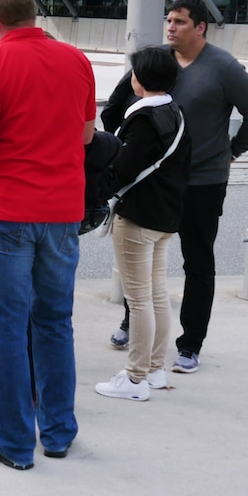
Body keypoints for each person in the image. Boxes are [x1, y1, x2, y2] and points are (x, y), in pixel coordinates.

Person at [0, 0, 95, 470]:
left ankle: (13, 442)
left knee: (7, 329)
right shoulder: (76, 60)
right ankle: (57, 432)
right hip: (62, 212)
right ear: (33, 12)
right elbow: (86, 135)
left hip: (6, 211)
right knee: (55, 323)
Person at [102, 0, 248, 374]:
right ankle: (133, 323)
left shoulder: (223, 67)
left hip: (203, 182)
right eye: (169, 20)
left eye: (179, 21)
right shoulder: (156, 61)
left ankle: (191, 344)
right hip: (154, 182)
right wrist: (125, 149)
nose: (171, 27)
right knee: (141, 258)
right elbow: (114, 108)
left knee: (197, 262)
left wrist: (232, 151)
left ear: (200, 27)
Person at [94, 47, 192, 402]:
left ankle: (135, 378)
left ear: (140, 79)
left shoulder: (144, 119)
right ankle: (154, 370)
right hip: (166, 214)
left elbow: (123, 167)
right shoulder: (174, 112)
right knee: (156, 294)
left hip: (138, 215)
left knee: (138, 300)